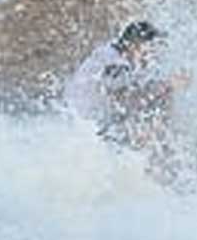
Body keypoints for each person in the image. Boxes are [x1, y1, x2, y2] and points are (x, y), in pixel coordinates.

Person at [64, 21, 182, 149]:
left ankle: (167, 142)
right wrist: (167, 85)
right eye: (150, 46)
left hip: (95, 124)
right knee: (158, 96)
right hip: (85, 130)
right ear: (133, 46)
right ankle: (162, 150)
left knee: (158, 97)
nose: (154, 53)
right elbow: (124, 100)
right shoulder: (114, 63)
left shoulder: (122, 56)